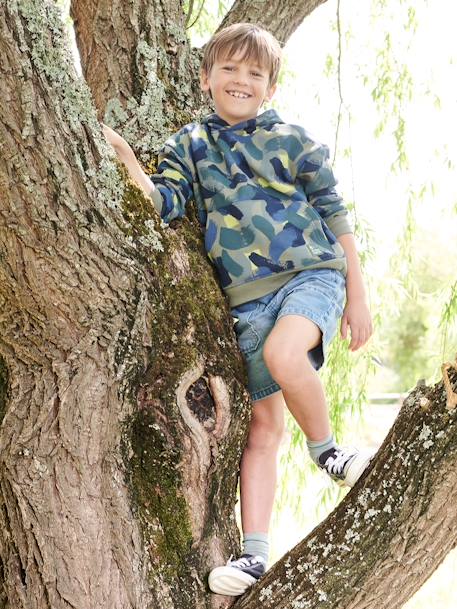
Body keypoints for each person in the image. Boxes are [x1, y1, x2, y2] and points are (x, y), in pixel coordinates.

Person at [103, 22, 374, 597]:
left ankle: (328, 451)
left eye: (255, 73)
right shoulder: (188, 146)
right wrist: (127, 162)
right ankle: (254, 557)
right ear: (207, 78)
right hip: (245, 304)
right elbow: (164, 201)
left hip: (310, 275)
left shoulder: (294, 140)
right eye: (229, 68)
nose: (241, 80)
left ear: (270, 89)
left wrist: (358, 293)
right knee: (263, 428)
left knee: (285, 354)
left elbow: (336, 214)